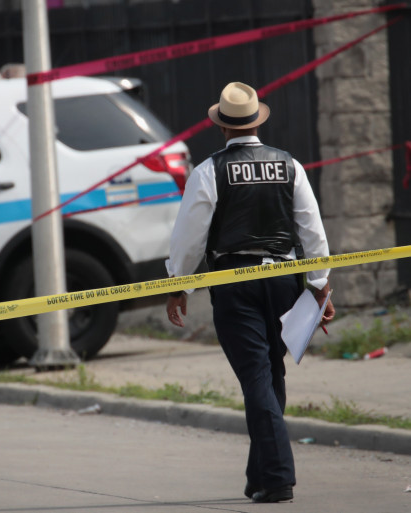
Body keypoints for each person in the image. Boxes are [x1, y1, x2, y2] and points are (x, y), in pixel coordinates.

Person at [164, 82, 335, 503]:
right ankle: (259, 475)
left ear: (222, 128)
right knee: (270, 375)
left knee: (257, 378)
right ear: (257, 122)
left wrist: (178, 285)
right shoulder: (288, 165)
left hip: (234, 283)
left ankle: (277, 478)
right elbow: (312, 229)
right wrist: (319, 285)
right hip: (283, 280)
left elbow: (188, 239)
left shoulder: (208, 171)